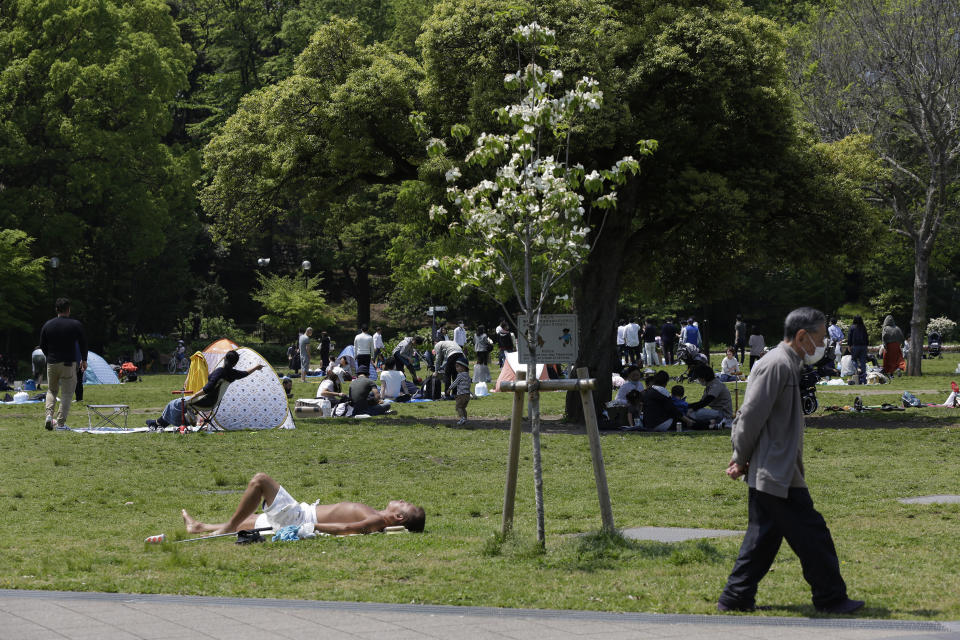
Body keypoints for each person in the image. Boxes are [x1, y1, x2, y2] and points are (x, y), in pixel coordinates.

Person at [718, 307, 863, 615]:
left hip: (774, 467)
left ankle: (736, 596)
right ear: (801, 336)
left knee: (764, 536)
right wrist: (739, 458)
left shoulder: (786, 363)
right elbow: (749, 417)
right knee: (813, 534)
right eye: (821, 338)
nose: (824, 344)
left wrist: (744, 460)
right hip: (776, 471)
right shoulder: (777, 365)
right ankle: (830, 598)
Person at [180, 472, 425, 536]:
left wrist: (310, 528)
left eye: (406, 505)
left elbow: (346, 529)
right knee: (248, 522)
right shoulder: (376, 514)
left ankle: (224, 528)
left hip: (300, 519)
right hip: (301, 515)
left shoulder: (377, 520)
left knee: (261, 481)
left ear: (399, 517)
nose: (403, 500)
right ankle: (200, 527)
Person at [147, 350, 264, 429]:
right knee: (178, 403)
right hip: (213, 402)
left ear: (225, 359)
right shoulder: (232, 373)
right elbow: (245, 373)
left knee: (176, 403)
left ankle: (167, 423)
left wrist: (194, 396)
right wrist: (256, 367)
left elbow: (207, 389)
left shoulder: (220, 372)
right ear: (235, 363)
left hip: (204, 400)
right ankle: (158, 423)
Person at [39, 298, 87, 430]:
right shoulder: (75, 324)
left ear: (56, 310)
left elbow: (42, 345)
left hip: (52, 362)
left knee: (51, 390)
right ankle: (60, 423)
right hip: (68, 363)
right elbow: (83, 343)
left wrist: (49, 355)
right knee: (66, 394)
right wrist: (84, 360)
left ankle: (49, 415)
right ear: (69, 309)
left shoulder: (47, 325)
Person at [447, 357, 471, 425]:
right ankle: (465, 419)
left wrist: (449, 389)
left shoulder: (460, 375)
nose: (456, 368)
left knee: (458, 407)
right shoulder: (468, 376)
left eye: (457, 367)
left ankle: (462, 418)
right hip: (467, 395)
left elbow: (455, 383)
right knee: (463, 408)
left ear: (463, 367)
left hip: (461, 395)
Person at [847, 315, 869, 384]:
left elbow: (849, 336)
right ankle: (864, 379)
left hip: (855, 346)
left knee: (853, 359)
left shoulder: (852, 327)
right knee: (863, 362)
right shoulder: (863, 327)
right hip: (863, 346)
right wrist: (867, 345)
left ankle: (857, 368)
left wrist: (849, 345)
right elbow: (866, 337)